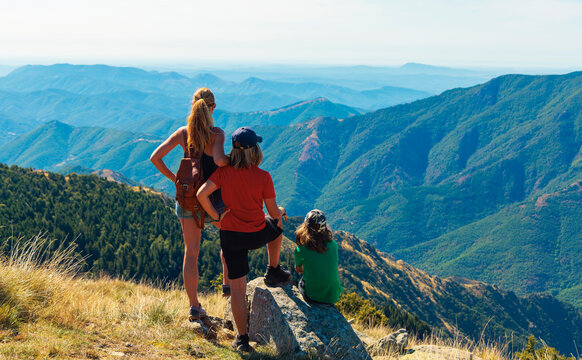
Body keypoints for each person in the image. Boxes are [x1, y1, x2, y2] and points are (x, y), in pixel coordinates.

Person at [197, 127, 291, 352]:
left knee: (238, 289)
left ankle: (242, 340)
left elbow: (201, 194)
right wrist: (282, 210)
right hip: (257, 233)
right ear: (255, 150)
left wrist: (217, 216)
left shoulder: (223, 173)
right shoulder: (263, 176)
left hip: (231, 236)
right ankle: (274, 268)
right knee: (277, 223)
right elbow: (273, 211)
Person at [150, 87, 230, 321]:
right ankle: (227, 289)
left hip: (188, 200)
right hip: (214, 200)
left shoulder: (183, 133)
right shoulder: (217, 134)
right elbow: (218, 160)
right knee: (228, 241)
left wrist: (175, 179)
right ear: (212, 108)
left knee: (191, 253)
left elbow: (155, 157)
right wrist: (236, 160)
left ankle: (194, 307)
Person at [294, 209, 343, 304]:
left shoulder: (300, 250)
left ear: (305, 226)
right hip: (333, 295)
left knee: (300, 282)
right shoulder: (333, 245)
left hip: (313, 296)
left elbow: (299, 270)